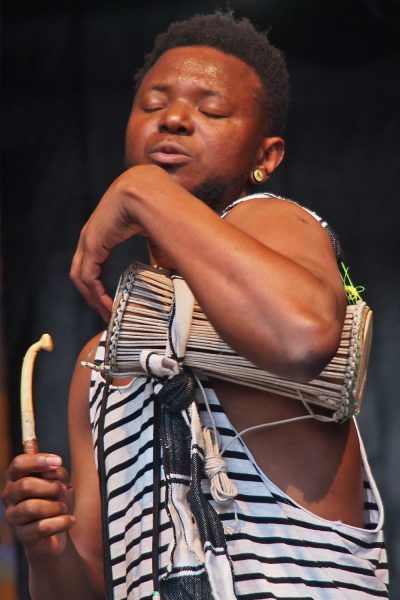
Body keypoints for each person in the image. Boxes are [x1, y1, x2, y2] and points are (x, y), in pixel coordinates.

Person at [2, 12, 389, 600]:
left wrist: (143, 189)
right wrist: (46, 549)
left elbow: (303, 338)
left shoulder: (272, 221)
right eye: (153, 104)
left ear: (268, 155)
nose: (175, 119)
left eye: (210, 111)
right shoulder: (99, 364)